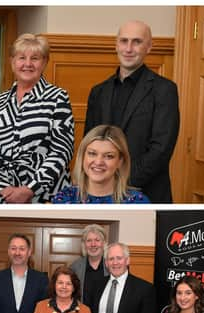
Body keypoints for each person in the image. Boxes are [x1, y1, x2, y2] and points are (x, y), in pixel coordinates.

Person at [84, 20, 180, 203]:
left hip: (146, 193)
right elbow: (88, 144)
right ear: (116, 44)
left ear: (149, 47)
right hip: (99, 193)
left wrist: (120, 183)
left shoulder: (164, 90)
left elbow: (161, 149)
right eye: (124, 41)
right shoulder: (98, 91)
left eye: (137, 42)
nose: (129, 48)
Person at [0, 33, 74, 204]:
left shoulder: (58, 97)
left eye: (35, 58)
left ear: (44, 62)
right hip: (2, 197)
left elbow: (62, 150)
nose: (28, 64)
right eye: (22, 57)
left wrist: (30, 189)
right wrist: (2, 187)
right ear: (12, 61)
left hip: (44, 196)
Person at [53, 125, 150, 204]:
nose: (99, 162)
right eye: (92, 153)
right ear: (82, 157)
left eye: (109, 156)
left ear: (120, 161)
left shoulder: (137, 202)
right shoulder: (63, 199)